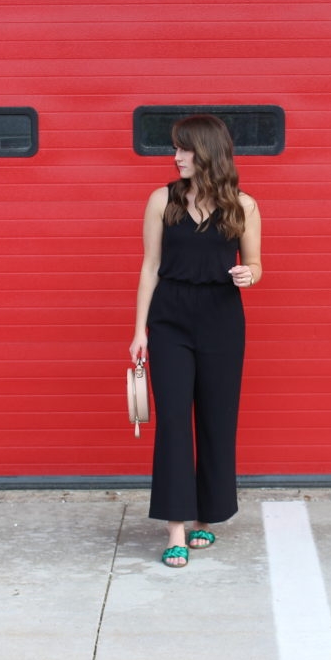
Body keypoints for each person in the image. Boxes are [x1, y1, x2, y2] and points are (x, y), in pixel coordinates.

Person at [129, 114, 262, 568]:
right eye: (176, 149)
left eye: (184, 149)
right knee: (172, 422)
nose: (176, 156)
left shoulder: (242, 205)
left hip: (222, 318)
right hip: (170, 320)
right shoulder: (161, 200)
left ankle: (207, 515)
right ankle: (176, 527)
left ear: (206, 152)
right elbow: (150, 267)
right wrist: (138, 332)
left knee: (215, 420)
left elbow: (257, 264)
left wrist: (249, 275)